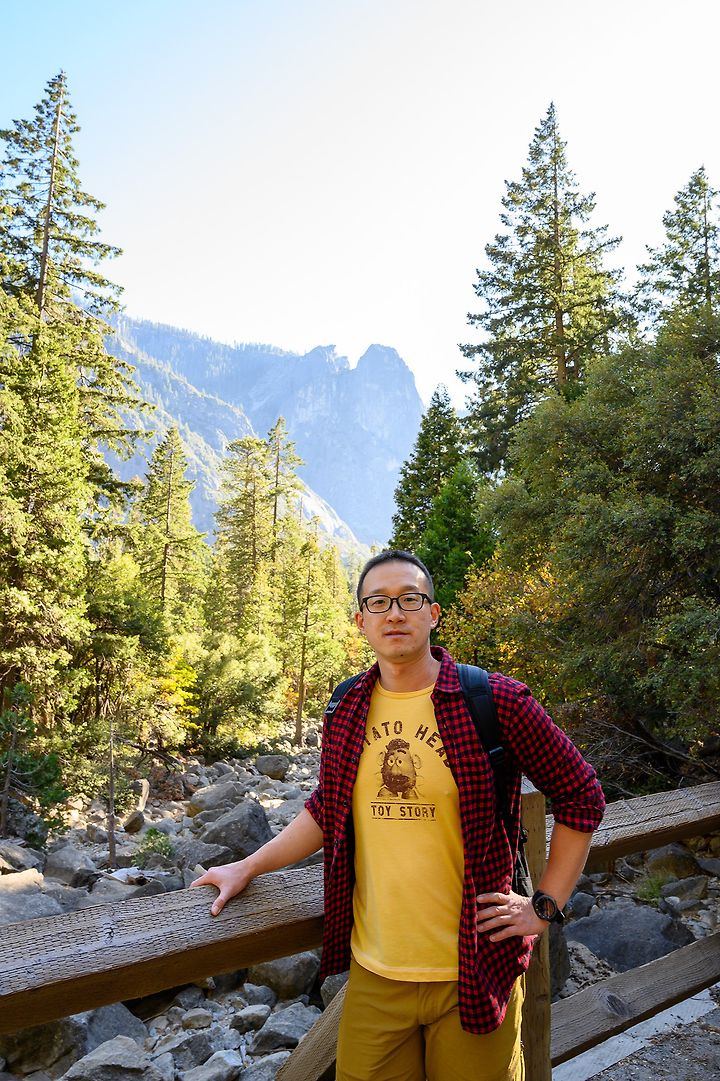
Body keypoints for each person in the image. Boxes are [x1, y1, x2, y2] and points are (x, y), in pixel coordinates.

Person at [192, 550, 605, 1081]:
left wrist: (544, 905)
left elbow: (581, 795)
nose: (394, 613)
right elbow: (326, 809)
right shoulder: (346, 707)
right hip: (375, 976)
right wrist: (247, 866)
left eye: (409, 599)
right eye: (378, 602)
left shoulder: (494, 700)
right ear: (360, 621)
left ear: (433, 614)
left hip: (476, 970)